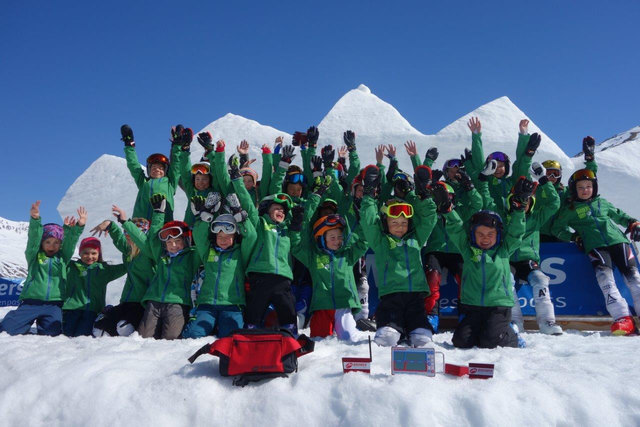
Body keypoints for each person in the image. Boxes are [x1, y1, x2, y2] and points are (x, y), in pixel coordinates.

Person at [212, 140, 298, 334]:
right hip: (259, 274)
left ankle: (290, 333)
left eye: (283, 211)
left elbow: (274, 183)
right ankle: (251, 332)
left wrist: (280, 161)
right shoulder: (259, 223)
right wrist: (235, 177)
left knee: (287, 308)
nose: (280, 213)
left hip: (283, 277)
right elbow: (246, 200)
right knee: (256, 307)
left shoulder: (286, 231)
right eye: (276, 209)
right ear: (267, 211)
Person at [439, 177, 531, 349]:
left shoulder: (504, 250)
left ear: (498, 235)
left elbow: (516, 233)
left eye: (490, 234)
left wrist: (518, 210)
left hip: (498, 307)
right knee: (461, 342)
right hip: (473, 306)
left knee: (490, 342)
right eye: (480, 234)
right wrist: (447, 210)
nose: (485, 239)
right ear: (473, 235)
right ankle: (489, 330)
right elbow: (456, 228)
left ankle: (512, 335)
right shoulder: (468, 250)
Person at [551, 168, 640, 335]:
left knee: (633, 278)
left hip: (618, 241)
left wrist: (633, 223)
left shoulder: (602, 202)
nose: (585, 190)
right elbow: (557, 229)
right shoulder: (570, 210)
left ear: (594, 187)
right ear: (574, 190)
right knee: (606, 281)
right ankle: (623, 318)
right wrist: (573, 237)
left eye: (588, 186)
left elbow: (620, 216)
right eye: (581, 187)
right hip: (595, 246)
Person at [360, 165, 437, 347]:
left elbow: (429, 218)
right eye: (394, 222)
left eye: (403, 222)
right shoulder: (381, 242)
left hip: (416, 297)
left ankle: (412, 331)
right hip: (391, 297)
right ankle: (394, 330)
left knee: (422, 338)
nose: (399, 226)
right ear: (385, 223)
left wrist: (424, 195)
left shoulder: (417, 238)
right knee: (387, 339)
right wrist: (369, 195)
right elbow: (369, 221)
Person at [290, 181, 369, 341]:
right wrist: (296, 228)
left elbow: (365, 241)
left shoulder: (348, 255)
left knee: (348, 338)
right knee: (319, 342)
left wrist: (363, 221)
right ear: (321, 239)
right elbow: (296, 246)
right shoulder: (314, 257)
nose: (337, 241)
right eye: (332, 237)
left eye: (339, 237)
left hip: (344, 305)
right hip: (321, 307)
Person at [0, 202, 84, 336]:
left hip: (54, 305)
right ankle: (17, 319)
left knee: (52, 333)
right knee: (8, 330)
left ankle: (43, 323)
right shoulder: (33, 255)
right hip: (30, 303)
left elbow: (70, 243)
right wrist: (35, 219)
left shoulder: (62, 258)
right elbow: (33, 239)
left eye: (56, 243)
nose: (52, 246)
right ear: (42, 243)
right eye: (48, 242)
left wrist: (78, 227)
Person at [123, 194, 200, 339]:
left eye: (177, 241)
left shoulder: (192, 257)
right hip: (154, 301)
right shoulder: (161, 256)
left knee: (171, 338)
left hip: (177, 303)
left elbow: (202, 239)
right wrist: (158, 213)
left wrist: (200, 217)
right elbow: (149, 239)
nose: (173, 245)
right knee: (143, 338)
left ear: (186, 241)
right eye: (169, 242)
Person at [182, 196, 256, 338]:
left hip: (232, 305)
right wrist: (205, 216)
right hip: (207, 304)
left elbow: (251, 236)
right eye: (219, 236)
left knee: (230, 337)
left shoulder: (240, 254)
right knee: (193, 335)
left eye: (228, 236)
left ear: (235, 237)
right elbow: (198, 235)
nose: (223, 240)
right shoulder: (208, 251)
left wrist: (242, 219)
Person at [508, 164, 563, 335]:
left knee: (541, 280)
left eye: (527, 201)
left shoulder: (536, 218)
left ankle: (547, 321)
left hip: (528, 260)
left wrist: (544, 180)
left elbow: (554, 204)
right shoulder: (503, 218)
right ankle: (514, 322)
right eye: (519, 200)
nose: (523, 204)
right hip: (508, 259)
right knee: (506, 281)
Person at [90, 211, 158, 337]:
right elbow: (119, 239)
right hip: (127, 299)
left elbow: (142, 243)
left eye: (131, 233)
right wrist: (110, 225)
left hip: (143, 302)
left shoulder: (149, 254)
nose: (127, 236)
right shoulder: (128, 252)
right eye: (126, 232)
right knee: (101, 329)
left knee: (124, 326)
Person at [62, 236, 127, 337]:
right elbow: (65, 253)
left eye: (94, 253)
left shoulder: (104, 270)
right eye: (85, 253)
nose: (89, 256)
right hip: (70, 310)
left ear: (99, 254)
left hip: (92, 311)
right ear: (79, 253)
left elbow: (126, 266)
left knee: (82, 336)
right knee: (65, 335)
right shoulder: (71, 267)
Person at [120, 124, 183, 221]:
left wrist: (177, 145)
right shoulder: (143, 182)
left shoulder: (170, 183)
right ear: (149, 170)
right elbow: (134, 166)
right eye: (153, 167)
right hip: (141, 225)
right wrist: (129, 145)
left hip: (162, 225)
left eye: (161, 168)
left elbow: (176, 165)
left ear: (165, 171)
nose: (157, 169)